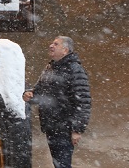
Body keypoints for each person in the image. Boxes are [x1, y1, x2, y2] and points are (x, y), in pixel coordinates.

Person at [23, 36, 91, 168]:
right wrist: (29, 95)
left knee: (62, 164)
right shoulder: (51, 68)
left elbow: (83, 102)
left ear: (65, 50)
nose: (51, 46)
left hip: (64, 127)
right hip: (51, 126)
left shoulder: (74, 70)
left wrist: (77, 129)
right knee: (58, 164)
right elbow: (40, 91)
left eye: (56, 44)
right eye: (51, 42)